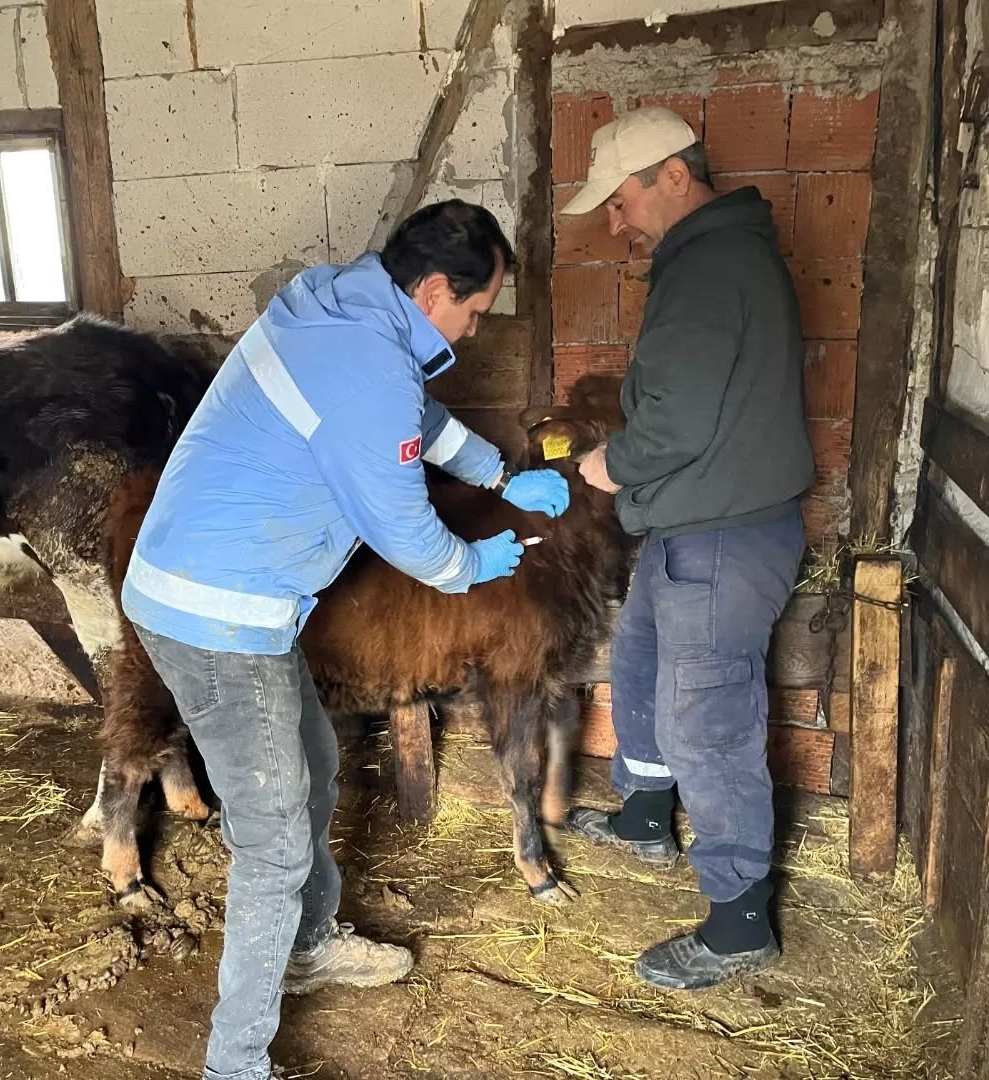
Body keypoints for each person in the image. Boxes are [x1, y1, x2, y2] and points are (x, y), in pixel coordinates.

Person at [120, 200, 570, 1080]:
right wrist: (477, 561)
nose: (475, 330)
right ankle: (237, 1064)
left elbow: (415, 420)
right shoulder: (366, 363)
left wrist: (503, 473)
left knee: (318, 764)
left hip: (243, 597)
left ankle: (308, 942)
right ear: (434, 289)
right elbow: (411, 536)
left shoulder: (348, 305)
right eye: (474, 312)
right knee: (276, 841)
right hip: (216, 615)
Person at [560, 108, 815, 991]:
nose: (615, 223)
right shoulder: (710, 258)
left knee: (705, 720)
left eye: (622, 201)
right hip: (696, 523)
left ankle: (741, 920)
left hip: (722, 532)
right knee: (639, 663)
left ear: (674, 175)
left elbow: (672, 424)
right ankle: (645, 814)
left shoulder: (710, 267)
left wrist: (606, 464)